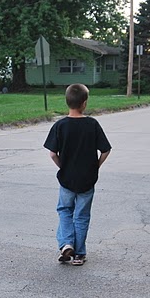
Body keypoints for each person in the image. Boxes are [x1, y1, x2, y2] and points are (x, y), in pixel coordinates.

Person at [43, 83, 111, 265]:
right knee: (81, 215)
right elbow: (105, 150)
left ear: (67, 102)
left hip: (67, 178)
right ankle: (79, 253)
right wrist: (96, 166)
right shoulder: (92, 124)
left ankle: (66, 245)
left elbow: (52, 153)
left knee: (65, 211)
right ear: (84, 103)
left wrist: (62, 166)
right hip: (87, 179)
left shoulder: (60, 125)